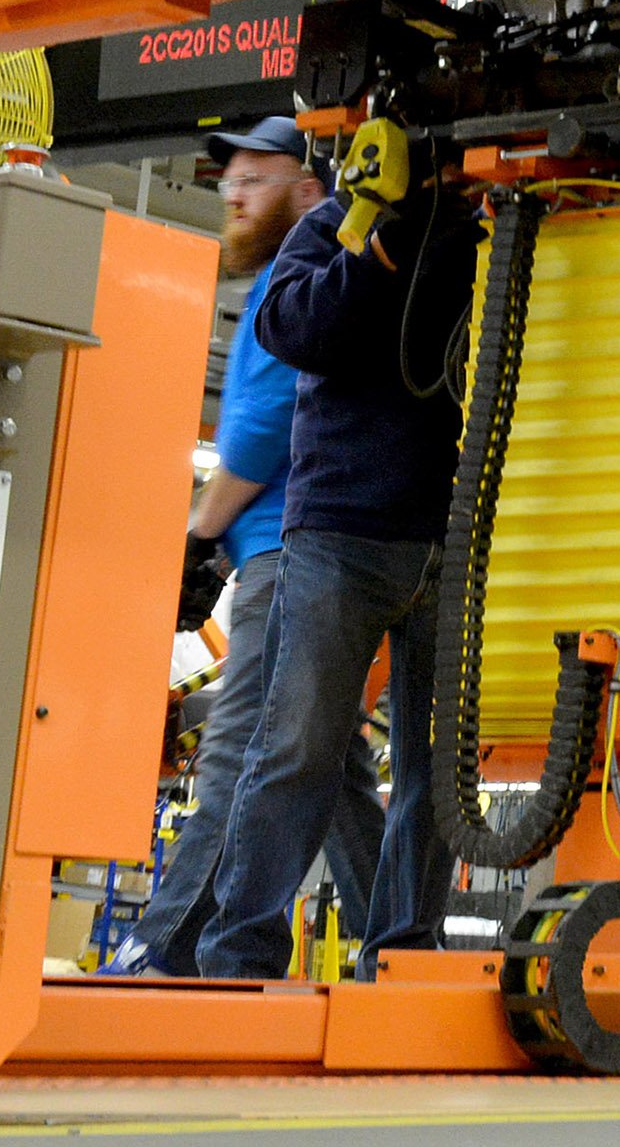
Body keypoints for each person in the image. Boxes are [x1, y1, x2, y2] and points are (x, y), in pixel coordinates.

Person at [108, 120, 384, 977]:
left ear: (310, 193)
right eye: (228, 179)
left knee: (242, 753)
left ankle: (164, 951)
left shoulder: (287, 295)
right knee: (335, 775)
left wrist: (195, 534)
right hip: (282, 560)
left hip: (281, 564)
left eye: (256, 180)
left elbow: (264, 437)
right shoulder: (284, 287)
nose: (233, 193)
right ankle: (407, 943)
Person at [192, 165, 477, 980]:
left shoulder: (478, 236)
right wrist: (379, 251)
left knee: (435, 771)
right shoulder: (335, 229)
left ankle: (402, 957)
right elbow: (291, 326)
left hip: (448, 535)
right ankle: (239, 954)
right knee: (296, 749)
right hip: (340, 533)